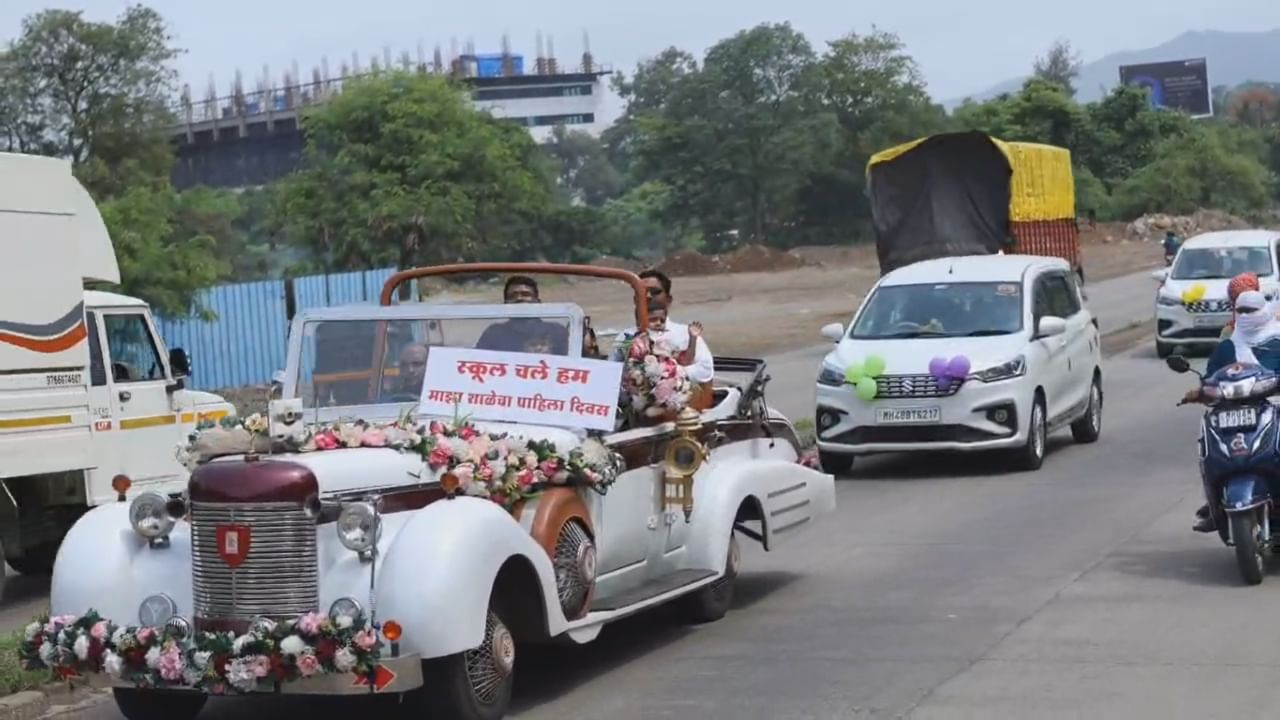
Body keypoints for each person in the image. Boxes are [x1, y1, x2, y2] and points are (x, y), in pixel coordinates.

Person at [1189, 289, 1280, 532]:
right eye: (1241, 311)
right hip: (1232, 415)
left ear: (1264, 311)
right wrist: (1201, 391)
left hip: (1274, 409)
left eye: (1252, 310)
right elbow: (1210, 378)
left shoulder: (1278, 341)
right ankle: (1215, 501)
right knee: (1208, 447)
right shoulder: (1227, 347)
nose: (1247, 315)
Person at [610, 269, 714, 385]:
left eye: (655, 292)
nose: (648, 296)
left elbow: (705, 369)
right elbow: (610, 372)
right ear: (635, 300)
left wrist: (668, 373)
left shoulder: (686, 334)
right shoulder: (625, 337)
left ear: (669, 300)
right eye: (642, 292)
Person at [475, 275, 570, 355]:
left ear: (538, 302)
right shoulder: (494, 333)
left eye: (526, 294)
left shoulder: (557, 331)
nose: (519, 298)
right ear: (505, 304)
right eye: (512, 296)